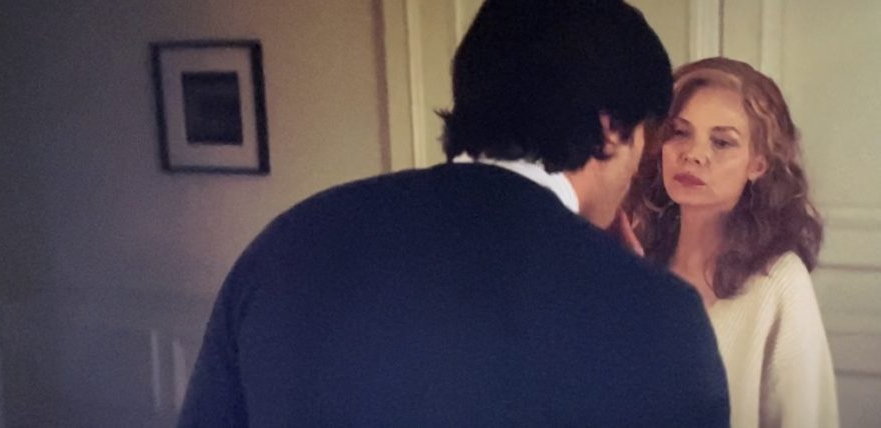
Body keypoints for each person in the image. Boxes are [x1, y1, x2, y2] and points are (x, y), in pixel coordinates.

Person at [178, 1, 730, 426]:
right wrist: (632, 294)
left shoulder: (289, 244)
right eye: (645, 137)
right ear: (611, 130)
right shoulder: (660, 317)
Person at [623, 57, 839, 427]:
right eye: (679, 132)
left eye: (722, 142)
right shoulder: (634, 259)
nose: (694, 154)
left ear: (758, 164)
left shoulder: (779, 281)